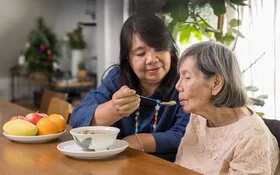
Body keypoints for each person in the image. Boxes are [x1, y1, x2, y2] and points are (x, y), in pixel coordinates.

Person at [70, 13, 190, 158]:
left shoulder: (184, 81)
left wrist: (139, 141)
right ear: (128, 58)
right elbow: (77, 118)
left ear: (170, 49)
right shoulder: (117, 78)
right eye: (140, 53)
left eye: (159, 48)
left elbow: (187, 134)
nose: (152, 59)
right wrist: (114, 109)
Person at [174, 41, 279, 174]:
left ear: (216, 83)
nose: (178, 86)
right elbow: (179, 168)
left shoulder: (253, 138)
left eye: (187, 77)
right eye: (180, 77)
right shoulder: (198, 117)